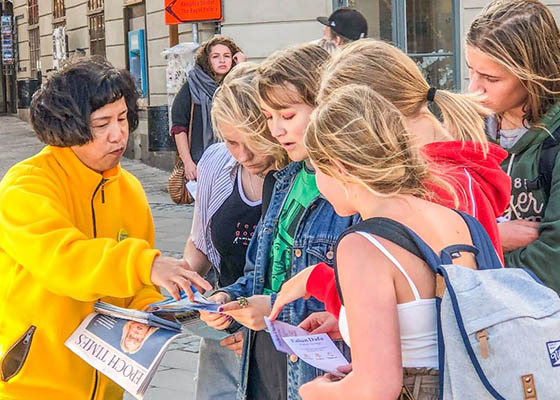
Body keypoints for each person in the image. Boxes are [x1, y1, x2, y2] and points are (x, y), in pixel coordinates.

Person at [0, 57, 211, 400]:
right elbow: (64, 261)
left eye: (123, 118)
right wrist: (147, 263)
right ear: (68, 126)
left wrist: (146, 312)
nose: (119, 134)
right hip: (34, 383)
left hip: (109, 385)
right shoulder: (27, 185)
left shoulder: (128, 188)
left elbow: (140, 287)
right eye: (102, 124)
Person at [269, 38, 511, 323]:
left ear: (376, 116)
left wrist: (322, 282)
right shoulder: (449, 174)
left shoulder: (438, 185)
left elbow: (434, 308)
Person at [298, 84, 479, 399]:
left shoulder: (363, 244)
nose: (317, 182)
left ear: (339, 167)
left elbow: (376, 388)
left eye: (317, 168)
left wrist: (312, 392)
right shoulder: (456, 219)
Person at [199, 44, 357, 400]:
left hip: (322, 372)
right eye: (269, 118)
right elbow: (258, 273)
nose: (276, 131)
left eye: (286, 116)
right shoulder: (285, 180)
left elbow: (361, 299)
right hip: (265, 367)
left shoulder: (353, 190)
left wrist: (273, 310)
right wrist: (229, 296)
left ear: (326, 107)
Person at [183, 62, 288, 400]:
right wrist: (183, 294)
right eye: (231, 141)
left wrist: (267, 339)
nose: (244, 155)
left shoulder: (300, 178)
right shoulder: (215, 160)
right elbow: (200, 243)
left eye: (255, 141)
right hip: (225, 326)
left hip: (282, 334)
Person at [466, 0, 560, 293]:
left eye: (491, 78)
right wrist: (492, 236)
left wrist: (472, 257)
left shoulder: (553, 142)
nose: (473, 88)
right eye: (471, 70)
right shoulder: (467, 130)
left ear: (534, 74)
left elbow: (552, 264)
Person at [171, 36, 245, 182]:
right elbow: (179, 128)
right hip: (202, 163)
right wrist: (188, 163)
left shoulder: (236, 84)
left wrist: (241, 68)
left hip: (236, 160)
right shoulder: (193, 86)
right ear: (207, 60)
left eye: (227, 56)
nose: (222, 60)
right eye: (216, 56)